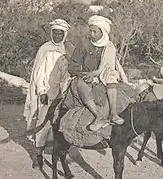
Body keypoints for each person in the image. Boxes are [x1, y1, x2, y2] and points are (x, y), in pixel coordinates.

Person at [24, 18, 74, 168]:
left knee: (64, 121)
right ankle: (38, 155)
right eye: (55, 33)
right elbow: (39, 72)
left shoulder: (69, 48)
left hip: (65, 91)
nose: (57, 36)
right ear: (51, 33)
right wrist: (42, 91)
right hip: (48, 90)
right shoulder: (45, 49)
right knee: (44, 121)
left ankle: (60, 153)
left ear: (65, 34)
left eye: (61, 33)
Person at [68, 15, 130, 131]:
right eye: (90, 31)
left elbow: (109, 66)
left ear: (103, 32)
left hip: (104, 76)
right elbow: (73, 65)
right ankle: (98, 116)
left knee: (112, 80)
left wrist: (98, 75)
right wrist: (86, 75)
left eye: (95, 31)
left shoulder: (109, 46)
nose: (92, 34)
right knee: (81, 85)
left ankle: (113, 113)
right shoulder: (84, 44)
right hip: (86, 76)